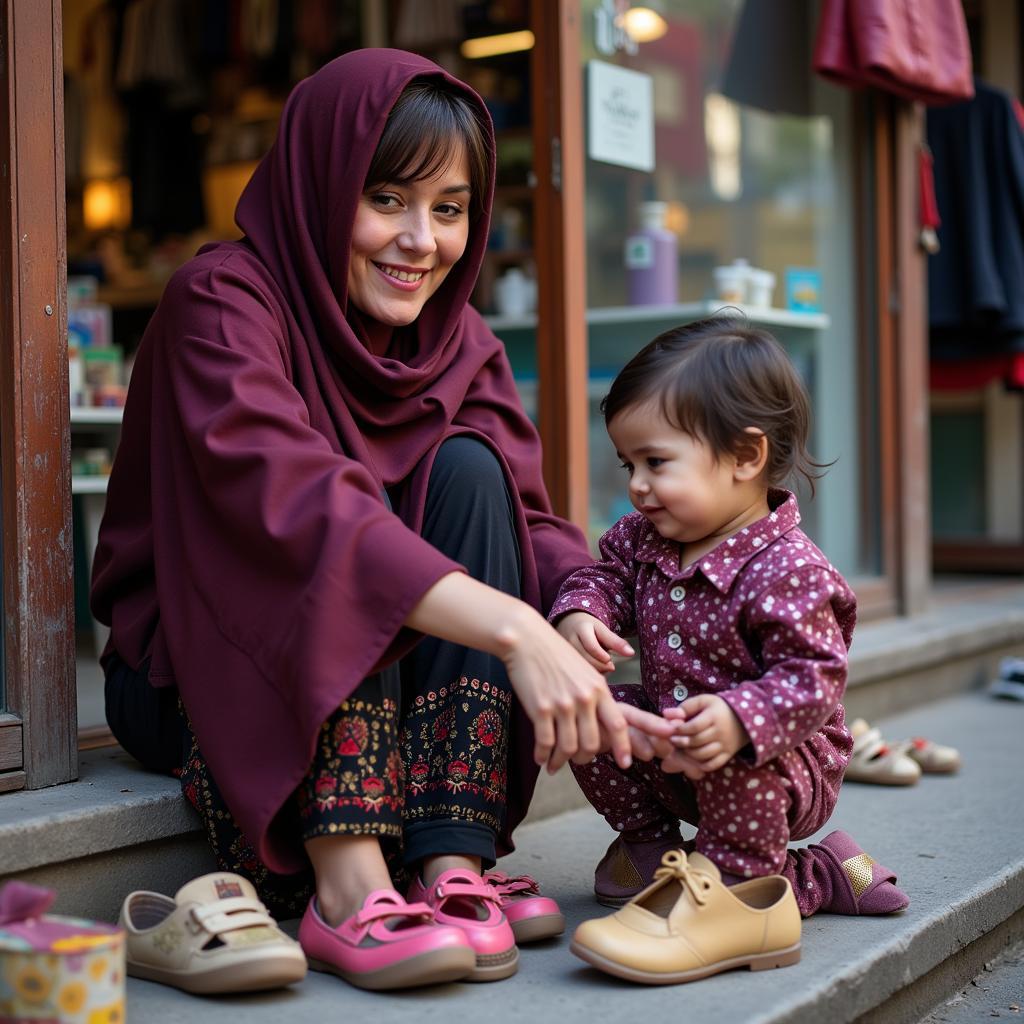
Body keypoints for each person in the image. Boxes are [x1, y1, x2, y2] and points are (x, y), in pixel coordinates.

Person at [91, 48, 672, 991]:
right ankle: (348, 884)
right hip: (191, 674)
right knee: (332, 503)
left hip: (391, 695)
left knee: (472, 469)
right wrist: (513, 628)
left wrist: (568, 605)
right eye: (389, 199)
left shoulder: (455, 337)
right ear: (321, 185)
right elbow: (289, 503)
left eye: (449, 210)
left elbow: (524, 511)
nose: (422, 242)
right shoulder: (221, 302)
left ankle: (452, 859)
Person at [549, 317, 910, 920]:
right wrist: (582, 612)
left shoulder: (790, 570)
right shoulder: (646, 538)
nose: (637, 486)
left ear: (744, 455)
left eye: (656, 462)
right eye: (626, 465)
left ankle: (808, 873)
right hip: (674, 744)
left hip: (776, 763)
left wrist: (741, 719)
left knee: (736, 785)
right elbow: (606, 575)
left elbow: (815, 676)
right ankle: (653, 846)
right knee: (592, 713)